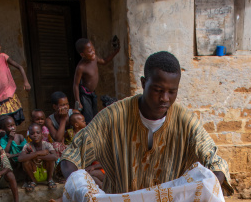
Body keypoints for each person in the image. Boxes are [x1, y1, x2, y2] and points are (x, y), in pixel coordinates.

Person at [60, 51, 232, 194]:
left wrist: (211, 184)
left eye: (172, 92)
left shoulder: (185, 122)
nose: (165, 98)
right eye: (158, 90)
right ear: (143, 83)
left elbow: (214, 160)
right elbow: (72, 156)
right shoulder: (113, 117)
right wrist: (80, 189)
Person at [0, 32, 30, 125]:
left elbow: (20, 67)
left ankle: (13, 138)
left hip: (9, 95)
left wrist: (26, 82)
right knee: (2, 122)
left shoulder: (3, 57)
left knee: (12, 122)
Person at [72, 37, 120, 125]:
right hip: (85, 95)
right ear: (83, 54)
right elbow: (75, 84)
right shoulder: (81, 67)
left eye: (93, 49)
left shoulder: (94, 59)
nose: (93, 52)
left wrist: (116, 51)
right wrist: (78, 101)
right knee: (88, 117)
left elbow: (104, 61)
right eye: (90, 51)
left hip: (92, 93)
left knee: (95, 115)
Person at [18, 124, 57, 190]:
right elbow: (20, 158)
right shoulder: (27, 146)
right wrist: (38, 153)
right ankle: (33, 181)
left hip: (46, 170)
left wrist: (38, 157)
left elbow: (55, 157)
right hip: (34, 171)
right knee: (25, 162)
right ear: (29, 136)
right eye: (32, 133)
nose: (35, 135)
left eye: (38, 133)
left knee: (50, 158)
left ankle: (50, 179)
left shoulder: (47, 144)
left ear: (42, 134)